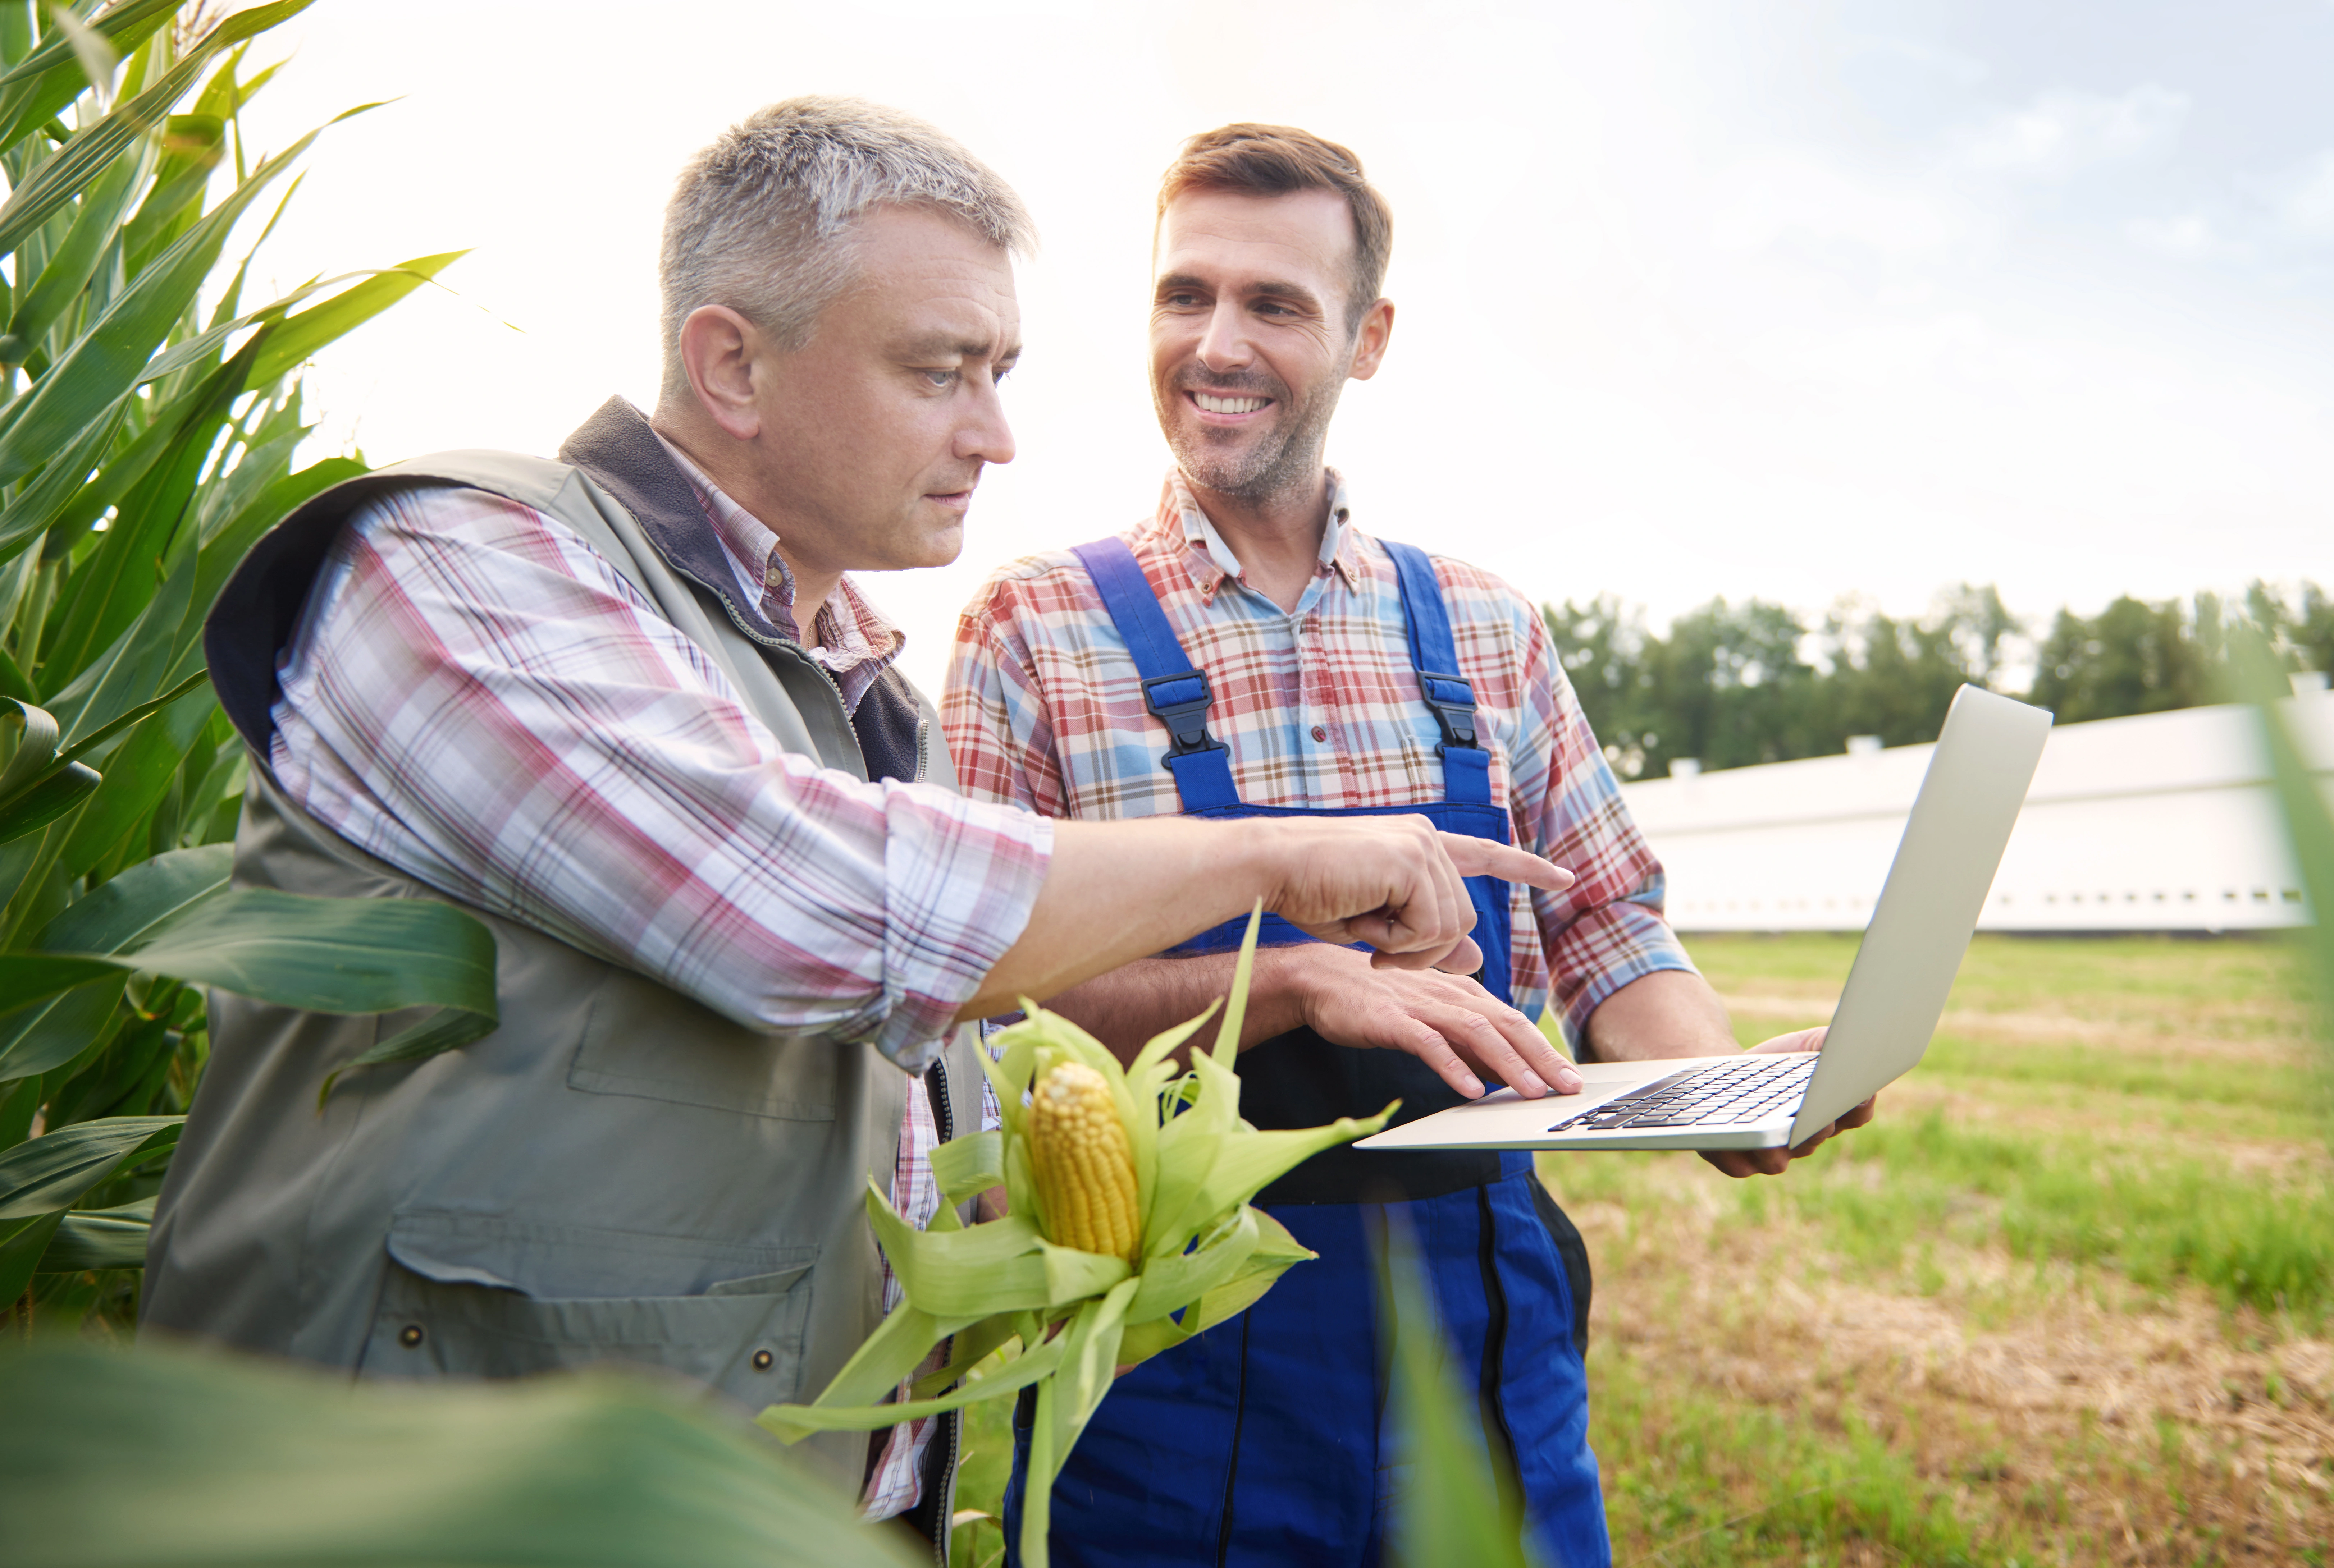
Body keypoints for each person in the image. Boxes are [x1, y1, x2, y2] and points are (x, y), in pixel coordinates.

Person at [141, 99, 1572, 1552]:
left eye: (999, 372)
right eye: (940, 372)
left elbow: (941, 1070)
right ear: (732, 364)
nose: (996, 433)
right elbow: (812, 907)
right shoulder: (461, 567)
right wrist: (1276, 862)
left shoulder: (866, 694)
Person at [943, 124, 1876, 1566]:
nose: (1215, 342)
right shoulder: (1035, 627)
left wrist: (1720, 1091)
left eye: (1273, 304)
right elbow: (980, 989)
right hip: (1170, 1336)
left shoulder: (1484, 630)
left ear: (1365, 337)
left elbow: (1611, 929)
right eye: (1182, 295)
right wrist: (1287, 983)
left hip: (1482, 1323)